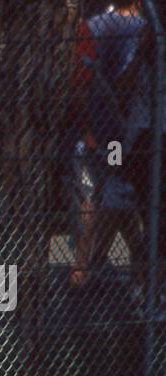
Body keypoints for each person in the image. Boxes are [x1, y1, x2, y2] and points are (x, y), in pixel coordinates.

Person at [69, 0, 149, 293]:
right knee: (116, 190)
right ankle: (130, 262)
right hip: (126, 134)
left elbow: (79, 85)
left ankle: (85, 265)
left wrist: (85, 128)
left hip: (99, 131)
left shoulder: (92, 28)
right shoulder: (147, 30)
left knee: (94, 194)